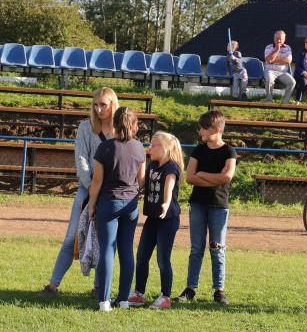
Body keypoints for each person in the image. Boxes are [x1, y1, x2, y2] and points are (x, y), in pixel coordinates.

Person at [38, 87, 117, 297]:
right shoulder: (85, 127)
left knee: (104, 241)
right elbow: (81, 159)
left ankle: (99, 288)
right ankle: (53, 286)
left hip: (110, 193)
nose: (99, 109)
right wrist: (91, 186)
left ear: (113, 105)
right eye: (95, 105)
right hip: (86, 189)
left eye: (103, 105)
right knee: (70, 237)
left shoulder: (120, 129)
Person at [87, 106, 146, 312]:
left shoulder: (105, 147)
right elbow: (141, 180)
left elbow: (96, 181)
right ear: (134, 125)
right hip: (131, 204)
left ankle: (104, 301)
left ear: (114, 124)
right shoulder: (139, 148)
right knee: (127, 250)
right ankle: (123, 300)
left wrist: (91, 206)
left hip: (109, 202)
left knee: (107, 250)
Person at [176, 109, 238, 305]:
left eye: (204, 127)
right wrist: (214, 178)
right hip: (198, 204)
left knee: (217, 247)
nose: (200, 131)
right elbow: (190, 177)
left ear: (217, 129)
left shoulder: (229, 151)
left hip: (219, 205)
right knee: (196, 248)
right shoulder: (199, 150)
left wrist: (202, 175)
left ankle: (219, 290)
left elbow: (227, 177)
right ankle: (190, 288)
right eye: (200, 127)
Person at [127, 131, 184, 310]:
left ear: (165, 148)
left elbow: (169, 187)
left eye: (154, 145)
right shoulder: (152, 165)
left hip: (168, 220)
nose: (150, 148)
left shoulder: (171, 167)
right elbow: (142, 183)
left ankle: (165, 297)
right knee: (142, 256)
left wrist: (166, 204)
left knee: (162, 258)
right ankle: (139, 293)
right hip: (152, 218)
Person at [263, 30, 295, 104]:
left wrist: (273, 60)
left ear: (284, 39)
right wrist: (277, 49)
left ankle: (285, 102)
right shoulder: (269, 47)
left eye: (280, 39)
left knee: (292, 82)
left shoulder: (288, 48)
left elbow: (288, 61)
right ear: (274, 39)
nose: (279, 41)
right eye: (277, 39)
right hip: (270, 71)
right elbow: (268, 60)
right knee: (269, 80)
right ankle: (269, 101)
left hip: (283, 72)